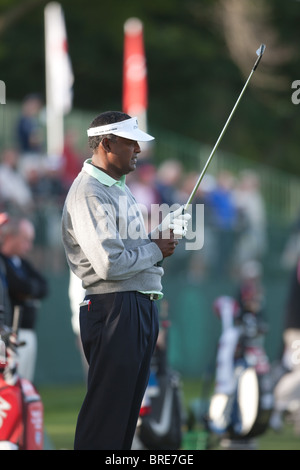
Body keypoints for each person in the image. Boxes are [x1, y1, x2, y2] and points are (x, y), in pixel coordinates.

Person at [61, 111, 190, 450]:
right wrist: (155, 247)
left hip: (135, 306)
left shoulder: (117, 188)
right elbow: (108, 264)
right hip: (114, 308)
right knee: (106, 420)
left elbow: (130, 251)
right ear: (106, 144)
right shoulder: (89, 192)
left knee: (124, 421)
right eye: (131, 142)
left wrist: (159, 239)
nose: (138, 150)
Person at [0, 216, 48, 382]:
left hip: (28, 331)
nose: (29, 246)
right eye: (25, 240)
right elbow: (17, 287)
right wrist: (27, 289)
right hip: (10, 333)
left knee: (24, 386)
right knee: (10, 385)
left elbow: (43, 287)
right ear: (10, 237)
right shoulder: (3, 262)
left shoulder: (22, 263)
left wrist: (27, 290)